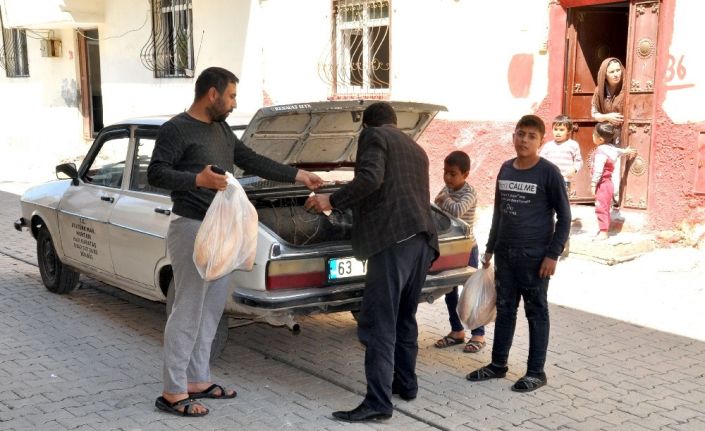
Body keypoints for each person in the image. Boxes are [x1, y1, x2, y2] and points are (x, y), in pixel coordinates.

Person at [147, 66, 323, 417]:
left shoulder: (222, 129)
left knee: (212, 308)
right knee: (188, 308)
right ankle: (172, 391)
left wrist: (297, 173)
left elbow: (249, 159)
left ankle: (198, 379)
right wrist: (197, 179)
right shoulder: (175, 129)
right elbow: (155, 173)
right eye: (231, 96)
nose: (233, 103)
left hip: (221, 229)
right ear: (212, 94)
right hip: (192, 228)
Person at [305, 102, 439, 422]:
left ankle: (378, 402)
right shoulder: (416, 148)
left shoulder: (373, 136)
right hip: (422, 240)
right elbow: (392, 188)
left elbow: (370, 179)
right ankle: (405, 385)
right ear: (395, 122)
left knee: (380, 322)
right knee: (404, 317)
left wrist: (331, 200)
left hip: (393, 241)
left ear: (366, 126)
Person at [465, 115, 570, 393]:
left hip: (536, 259)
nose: (524, 140)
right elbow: (499, 213)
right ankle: (498, 365)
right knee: (506, 310)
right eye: (520, 134)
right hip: (505, 256)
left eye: (531, 136)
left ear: (541, 141)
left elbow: (565, 217)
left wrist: (552, 254)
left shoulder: (548, 173)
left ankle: (536, 372)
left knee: (536, 312)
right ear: (513, 136)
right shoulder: (505, 169)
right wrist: (489, 249)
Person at [432, 150, 486, 353]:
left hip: (467, 248)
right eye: (445, 172)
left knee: (471, 293)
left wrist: (444, 200)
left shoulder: (469, 192)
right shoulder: (447, 189)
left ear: (465, 174)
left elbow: (456, 211)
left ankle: (478, 334)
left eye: (452, 174)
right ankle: (456, 330)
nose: (447, 177)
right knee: (450, 291)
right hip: (450, 248)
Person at [592, 57, 626, 221]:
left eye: (618, 70)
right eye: (611, 71)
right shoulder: (599, 91)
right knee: (603, 169)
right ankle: (603, 201)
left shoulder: (627, 88)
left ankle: (617, 202)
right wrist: (608, 116)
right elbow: (594, 114)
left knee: (618, 168)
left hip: (624, 135)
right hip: (606, 138)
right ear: (604, 74)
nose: (615, 74)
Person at [590, 122, 636, 240]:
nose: (592, 136)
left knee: (601, 207)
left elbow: (598, 171)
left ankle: (603, 232)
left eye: (594, 135)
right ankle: (604, 229)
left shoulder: (600, 152)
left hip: (602, 184)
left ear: (600, 139)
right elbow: (620, 152)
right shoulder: (612, 149)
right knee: (605, 207)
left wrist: (593, 184)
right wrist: (626, 151)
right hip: (609, 184)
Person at [539, 115, 583, 194]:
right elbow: (540, 162)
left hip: (565, 181)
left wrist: (574, 169)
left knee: (562, 203)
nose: (558, 132)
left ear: (569, 131)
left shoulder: (573, 145)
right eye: (555, 129)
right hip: (549, 180)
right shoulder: (547, 146)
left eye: (561, 130)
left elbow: (579, 161)